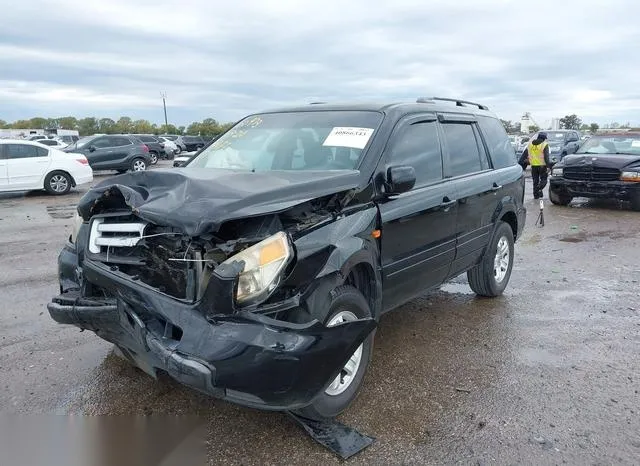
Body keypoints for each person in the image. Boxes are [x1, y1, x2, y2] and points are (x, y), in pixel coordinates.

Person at [519, 132, 552, 199]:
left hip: (533, 166)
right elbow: (546, 157)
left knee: (535, 181)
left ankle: (536, 195)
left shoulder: (530, 144)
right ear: (544, 138)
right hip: (542, 166)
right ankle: (539, 188)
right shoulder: (544, 145)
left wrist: (520, 165)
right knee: (544, 180)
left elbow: (524, 155)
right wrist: (549, 166)